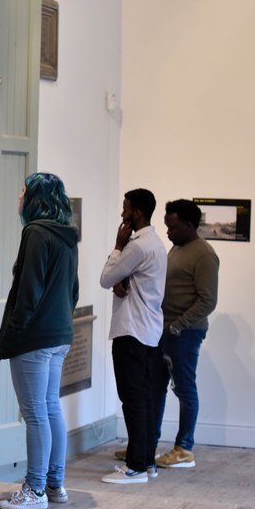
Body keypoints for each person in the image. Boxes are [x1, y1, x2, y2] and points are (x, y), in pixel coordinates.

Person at [0, 173, 79, 509]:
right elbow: (73, 291)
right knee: (49, 408)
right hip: (60, 334)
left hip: (35, 337)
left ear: (36, 198)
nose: (19, 196)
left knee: (34, 414)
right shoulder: (68, 236)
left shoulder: (35, 233)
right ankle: (54, 483)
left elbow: (28, 291)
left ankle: (34, 489)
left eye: (24, 191)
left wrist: (14, 330)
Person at [99, 188, 166, 484]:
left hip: (132, 330)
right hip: (150, 329)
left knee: (132, 399)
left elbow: (105, 278)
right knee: (145, 398)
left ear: (136, 212)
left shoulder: (136, 246)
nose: (121, 211)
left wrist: (117, 246)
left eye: (125, 207)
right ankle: (147, 461)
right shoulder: (156, 243)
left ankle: (136, 466)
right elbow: (125, 280)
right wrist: (121, 280)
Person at [152, 199, 219, 469]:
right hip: (165, 330)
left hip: (185, 333)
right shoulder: (177, 248)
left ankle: (184, 448)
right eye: (167, 226)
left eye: (174, 227)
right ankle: (147, 443)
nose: (168, 232)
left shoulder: (204, 254)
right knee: (155, 387)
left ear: (190, 225)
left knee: (184, 389)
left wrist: (178, 325)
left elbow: (208, 300)